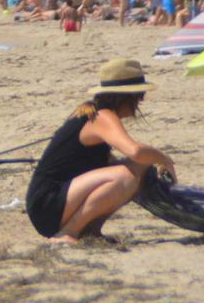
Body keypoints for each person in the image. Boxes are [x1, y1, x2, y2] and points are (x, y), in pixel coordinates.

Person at [26, 59, 176, 242]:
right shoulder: (102, 116)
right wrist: (164, 158)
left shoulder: (95, 111)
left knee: (140, 168)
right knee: (124, 176)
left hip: (63, 197)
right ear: (126, 97)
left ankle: (90, 230)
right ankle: (68, 232)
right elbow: (135, 151)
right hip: (47, 203)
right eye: (140, 95)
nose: (141, 100)